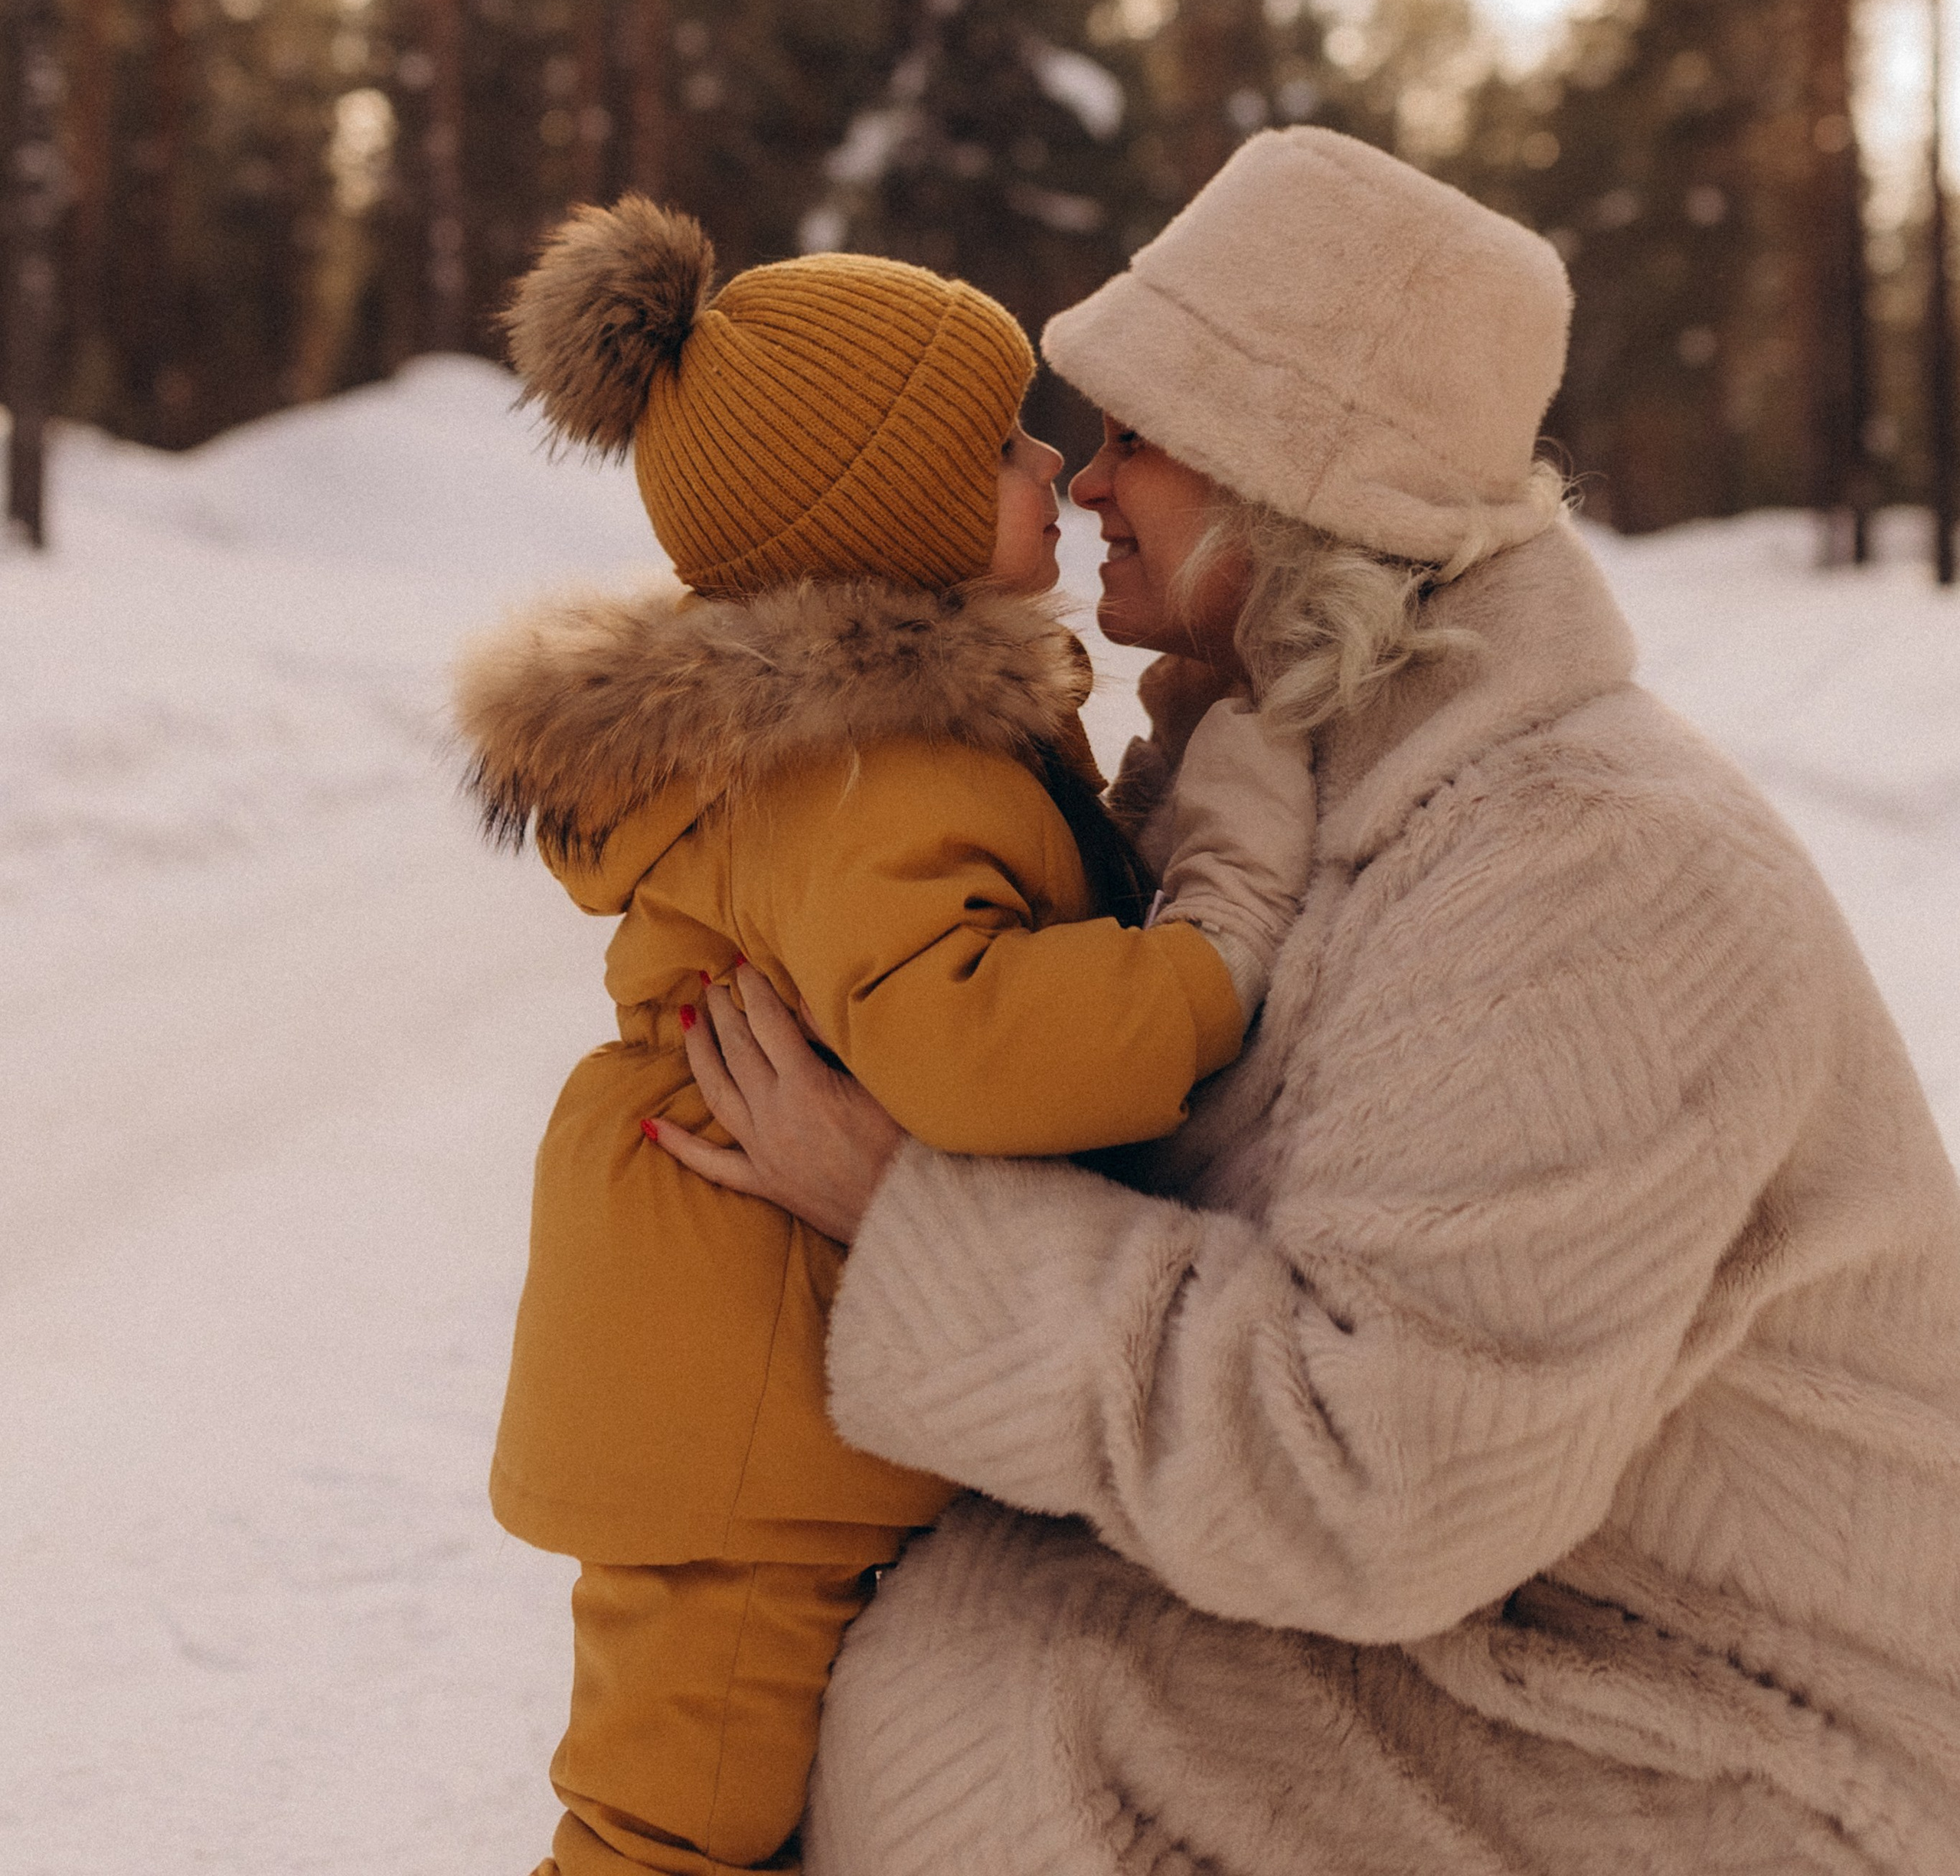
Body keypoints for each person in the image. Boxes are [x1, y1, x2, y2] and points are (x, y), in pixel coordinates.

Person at [663, 126, 1960, 1876]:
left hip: (1748, 1751)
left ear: (1294, 477)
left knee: (1024, 1684)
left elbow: (1380, 1488)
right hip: (1543, 1632)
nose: (1087, 480)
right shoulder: (1285, 763)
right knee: (951, 1616)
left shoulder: (1586, 872)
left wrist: (906, 1211)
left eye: (1136, 435)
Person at [454, 198, 1314, 1876]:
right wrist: (1203, 972)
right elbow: (966, 1041)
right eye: (999, 447)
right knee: (676, 1817)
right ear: (886, 510)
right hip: (742, 1414)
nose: (1052, 474)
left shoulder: (878, 742)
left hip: (753, 1381)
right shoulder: (864, 768)